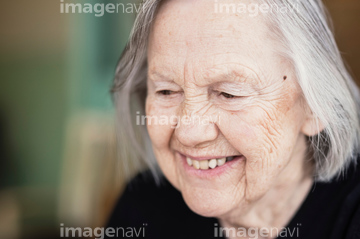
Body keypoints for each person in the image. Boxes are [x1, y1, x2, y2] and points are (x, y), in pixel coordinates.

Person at [107, 0, 360, 238]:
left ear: (316, 105)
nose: (188, 133)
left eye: (229, 94)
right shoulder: (140, 211)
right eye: (166, 91)